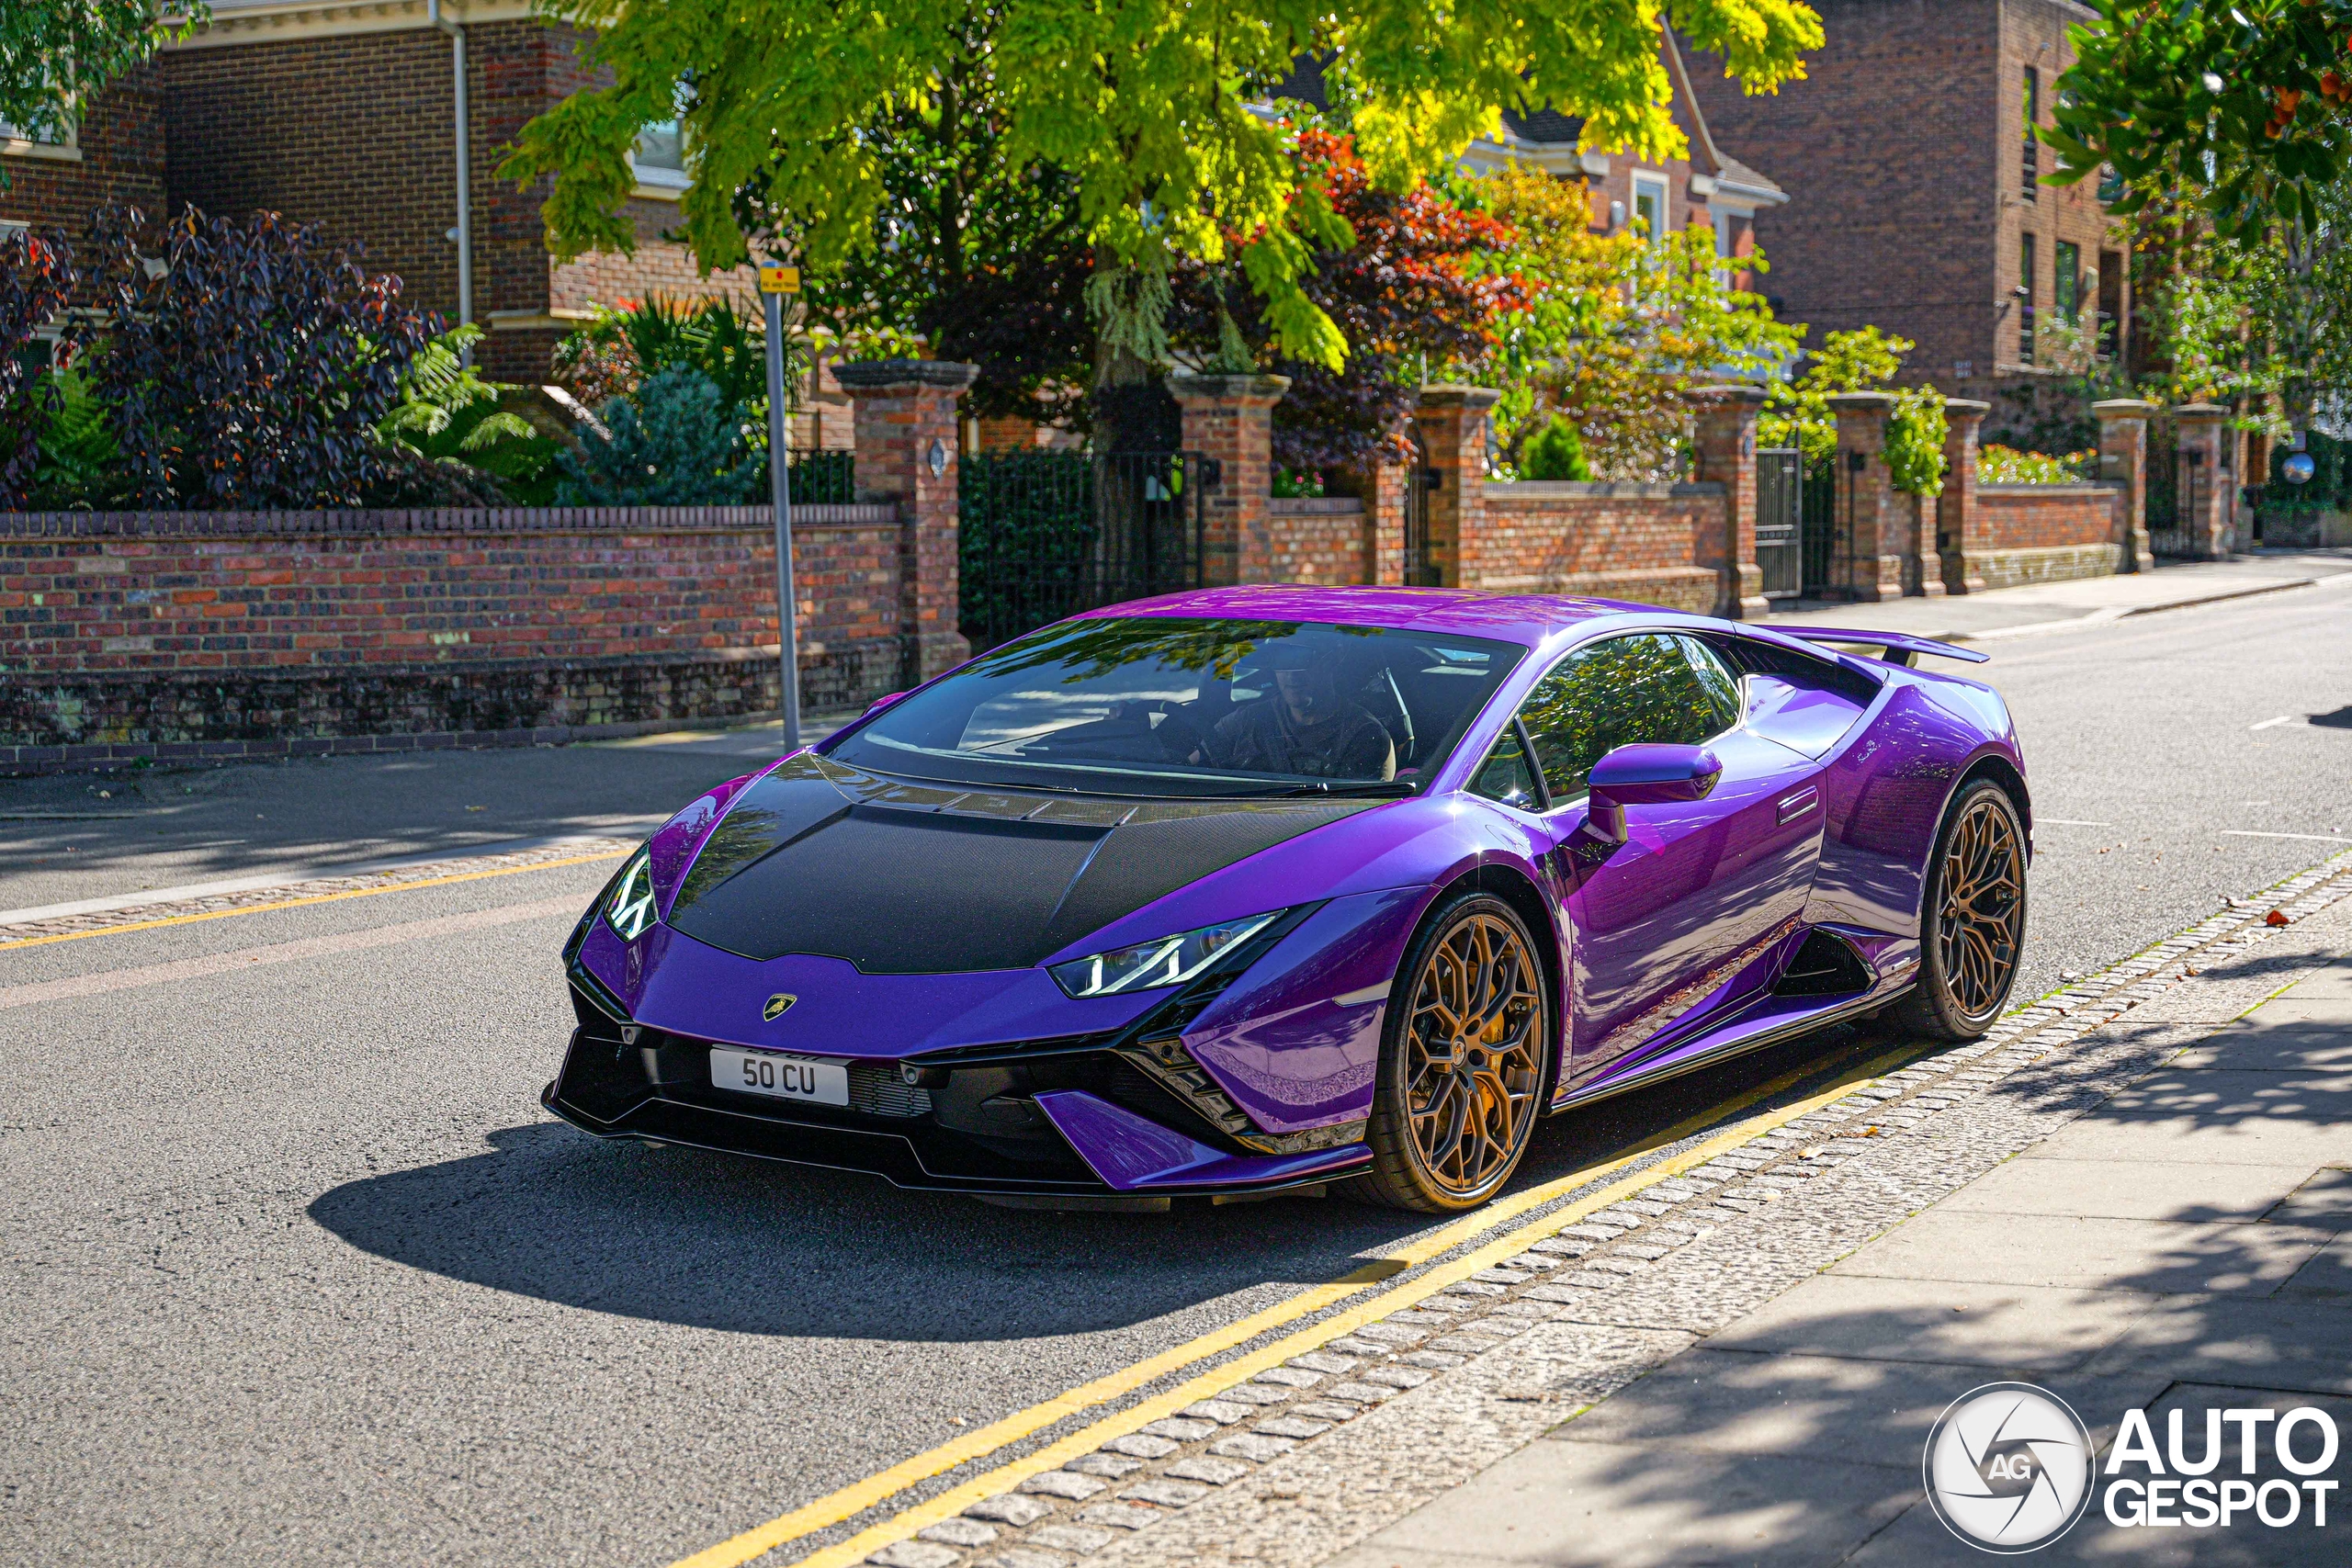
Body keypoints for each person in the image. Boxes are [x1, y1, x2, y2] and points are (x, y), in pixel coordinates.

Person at [1197, 643, 1396, 780]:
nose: (1292, 675)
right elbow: (1190, 765)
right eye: (1282, 661)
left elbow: (1351, 816)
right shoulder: (1248, 719)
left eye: (1303, 659)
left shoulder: (1364, 735)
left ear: (1333, 659)